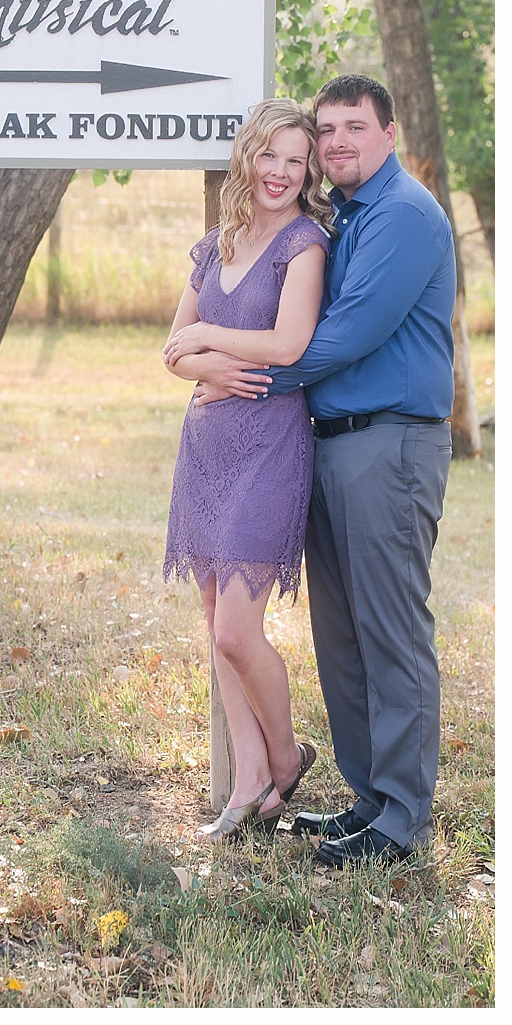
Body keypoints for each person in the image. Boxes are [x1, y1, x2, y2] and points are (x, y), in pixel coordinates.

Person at [196, 74, 454, 867]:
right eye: (329, 130)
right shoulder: (341, 217)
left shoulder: (405, 216)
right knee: (341, 636)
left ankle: (402, 819)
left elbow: (342, 336)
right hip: (329, 441)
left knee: (390, 631)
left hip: (391, 443)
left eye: (354, 127)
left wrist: (238, 378)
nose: (339, 142)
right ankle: (367, 800)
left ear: (389, 133)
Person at [161, 99, 331, 839]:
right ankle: (251, 781)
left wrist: (205, 338)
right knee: (210, 616)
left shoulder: (305, 244)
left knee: (236, 628)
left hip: (270, 445)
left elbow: (290, 343)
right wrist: (206, 360)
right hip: (206, 441)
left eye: (298, 161)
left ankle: (287, 756)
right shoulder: (217, 243)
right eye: (272, 156)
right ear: (248, 157)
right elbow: (172, 354)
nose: (283, 173)